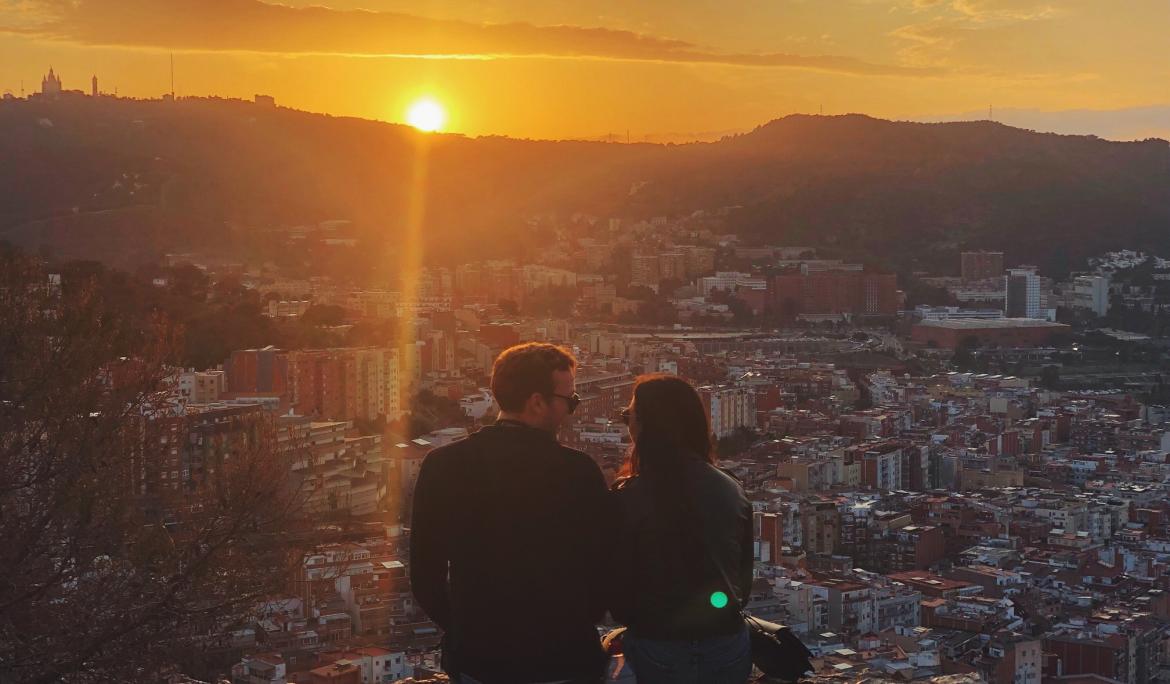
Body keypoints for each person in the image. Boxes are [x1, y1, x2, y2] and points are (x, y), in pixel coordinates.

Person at [410, 342, 609, 684]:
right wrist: (578, 620)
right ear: (536, 402)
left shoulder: (443, 465)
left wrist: (467, 629)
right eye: (570, 401)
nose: (572, 410)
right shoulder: (578, 472)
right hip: (564, 658)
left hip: (481, 660)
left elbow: (425, 578)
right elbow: (606, 566)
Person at [607, 374, 754, 684]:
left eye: (628, 416)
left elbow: (616, 580)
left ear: (647, 425)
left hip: (657, 644)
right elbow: (742, 579)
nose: (627, 424)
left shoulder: (628, 495)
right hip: (727, 644)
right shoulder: (731, 488)